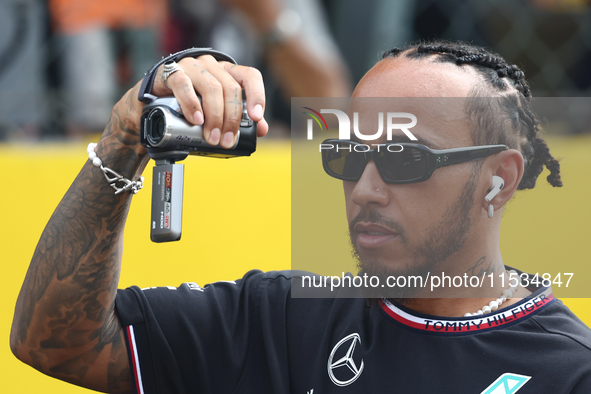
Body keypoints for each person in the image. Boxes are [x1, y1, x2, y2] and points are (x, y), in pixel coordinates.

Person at [10, 41, 591, 393]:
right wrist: (123, 136)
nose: (365, 188)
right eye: (348, 154)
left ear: (501, 179)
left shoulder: (565, 372)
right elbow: (55, 343)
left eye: (404, 160)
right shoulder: (279, 320)